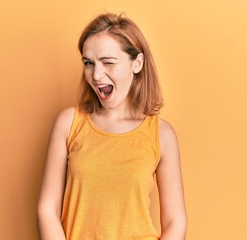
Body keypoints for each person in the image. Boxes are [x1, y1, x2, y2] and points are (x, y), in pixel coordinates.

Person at [37, 12, 187, 240]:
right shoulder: (69, 123)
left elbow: (175, 222)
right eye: (89, 63)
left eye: (108, 62)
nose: (96, 75)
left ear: (136, 64)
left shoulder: (161, 134)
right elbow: (46, 210)